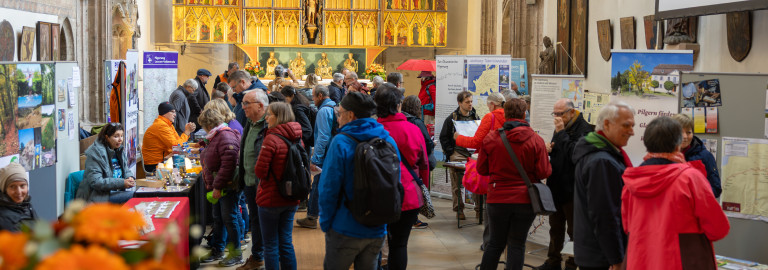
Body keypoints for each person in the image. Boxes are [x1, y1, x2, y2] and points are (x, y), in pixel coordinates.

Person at [621, 116, 730, 269]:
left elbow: (627, 226)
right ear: (678, 144)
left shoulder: (631, 181)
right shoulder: (690, 178)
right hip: (683, 261)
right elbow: (718, 228)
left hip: (640, 260)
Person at [319, 92, 396, 270]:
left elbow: (329, 189)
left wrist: (326, 223)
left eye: (339, 113)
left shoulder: (341, 142)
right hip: (377, 228)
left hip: (344, 227)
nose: (338, 118)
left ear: (351, 115)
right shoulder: (387, 139)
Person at [478, 98, 552, 270]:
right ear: (524, 114)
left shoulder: (491, 139)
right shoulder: (536, 140)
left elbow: (482, 169)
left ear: (505, 114)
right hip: (525, 200)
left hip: (497, 199)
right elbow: (543, 172)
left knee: (495, 244)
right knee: (517, 244)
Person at [572, 101, 635, 270]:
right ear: (607, 124)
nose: (632, 132)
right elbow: (605, 215)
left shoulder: (597, 153)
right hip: (601, 256)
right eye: (626, 125)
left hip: (595, 251)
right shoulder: (601, 161)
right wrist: (616, 259)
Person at [375, 84, 428, 270]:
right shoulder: (413, 129)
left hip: (376, 194)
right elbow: (424, 164)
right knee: (399, 245)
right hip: (408, 195)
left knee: (374, 243)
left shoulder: (372, 130)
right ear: (398, 105)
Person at [537, 99, 592, 270]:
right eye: (555, 113)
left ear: (571, 112)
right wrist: (550, 148)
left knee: (574, 232)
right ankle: (553, 262)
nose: (557, 117)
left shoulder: (586, 130)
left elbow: (575, 154)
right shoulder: (563, 128)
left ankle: (571, 264)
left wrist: (560, 133)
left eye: (560, 114)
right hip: (557, 187)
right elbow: (561, 148)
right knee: (555, 228)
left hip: (573, 190)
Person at [254, 102, 303, 270]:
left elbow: (260, 171)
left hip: (270, 198)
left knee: (271, 244)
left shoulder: (272, 139)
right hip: (291, 197)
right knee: (286, 242)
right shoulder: (297, 137)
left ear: (279, 117)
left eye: (269, 114)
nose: (266, 117)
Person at [198, 105, 243, 267]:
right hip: (221, 185)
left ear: (209, 125)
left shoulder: (224, 136)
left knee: (229, 219)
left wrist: (217, 186)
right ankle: (218, 248)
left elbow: (228, 164)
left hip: (227, 186)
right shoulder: (217, 135)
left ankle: (235, 253)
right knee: (219, 218)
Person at [234, 90, 270, 270]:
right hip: (249, 182)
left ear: (260, 106)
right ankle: (258, 257)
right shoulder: (250, 122)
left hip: (263, 184)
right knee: (255, 222)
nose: (243, 107)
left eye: (247, 103)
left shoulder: (269, 125)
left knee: (263, 223)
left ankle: (261, 257)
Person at [296, 85, 336, 229]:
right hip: (333, 152)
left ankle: (312, 217)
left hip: (325, 154)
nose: (312, 99)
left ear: (320, 96)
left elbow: (323, 137)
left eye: (313, 96)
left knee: (317, 184)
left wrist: (316, 158)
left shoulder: (323, 111)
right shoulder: (334, 107)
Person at [440, 91, 480, 220]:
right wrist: (450, 152)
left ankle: (479, 209)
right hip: (457, 153)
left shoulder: (475, 116)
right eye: (467, 102)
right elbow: (444, 137)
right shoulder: (452, 118)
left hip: (473, 153)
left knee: (476, 182)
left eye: (471, 101)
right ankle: (459, 209)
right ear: (460, 103)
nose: (470, 104)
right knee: (457, 184)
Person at [77, 122, 136, 203]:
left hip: (116, 192)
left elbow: (126, 170)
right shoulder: (95, 153)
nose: (120, 139)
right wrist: (122, 183)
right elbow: (96, 182)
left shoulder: (119, 150)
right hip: (99, 196)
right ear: (107, 137)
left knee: (140, 195)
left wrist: (130, 177)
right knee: (134, 196)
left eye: (122, 136)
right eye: (116, 136)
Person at [401, 95, 435, 229]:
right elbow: (426, 143)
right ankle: (414, 219)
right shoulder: (417, 122)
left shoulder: (402, 120)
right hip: (415, 162)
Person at [672, 114, 722, 198]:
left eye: (689, 132)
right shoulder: (664, 155)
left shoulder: (705, 156)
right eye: (680, 132)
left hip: (696, 208)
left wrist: (694, 194)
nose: (685, 137)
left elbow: (716, 189)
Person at [141, 102, 195, 173]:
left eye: (175, 112)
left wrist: (187, 134)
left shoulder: (168, 125)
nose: (175, 115)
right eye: (172, 112)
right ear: (164, 113)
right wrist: (187, 132)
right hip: (154, 165)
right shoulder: (161, 126)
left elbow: (178, 142)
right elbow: (176, 145)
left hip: (163, 161)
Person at [0, 163, 36, 232]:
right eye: (12, 186)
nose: (19, 192)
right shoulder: (4, 218)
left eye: (22, 186)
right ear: (4, 189)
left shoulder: (25, 204)